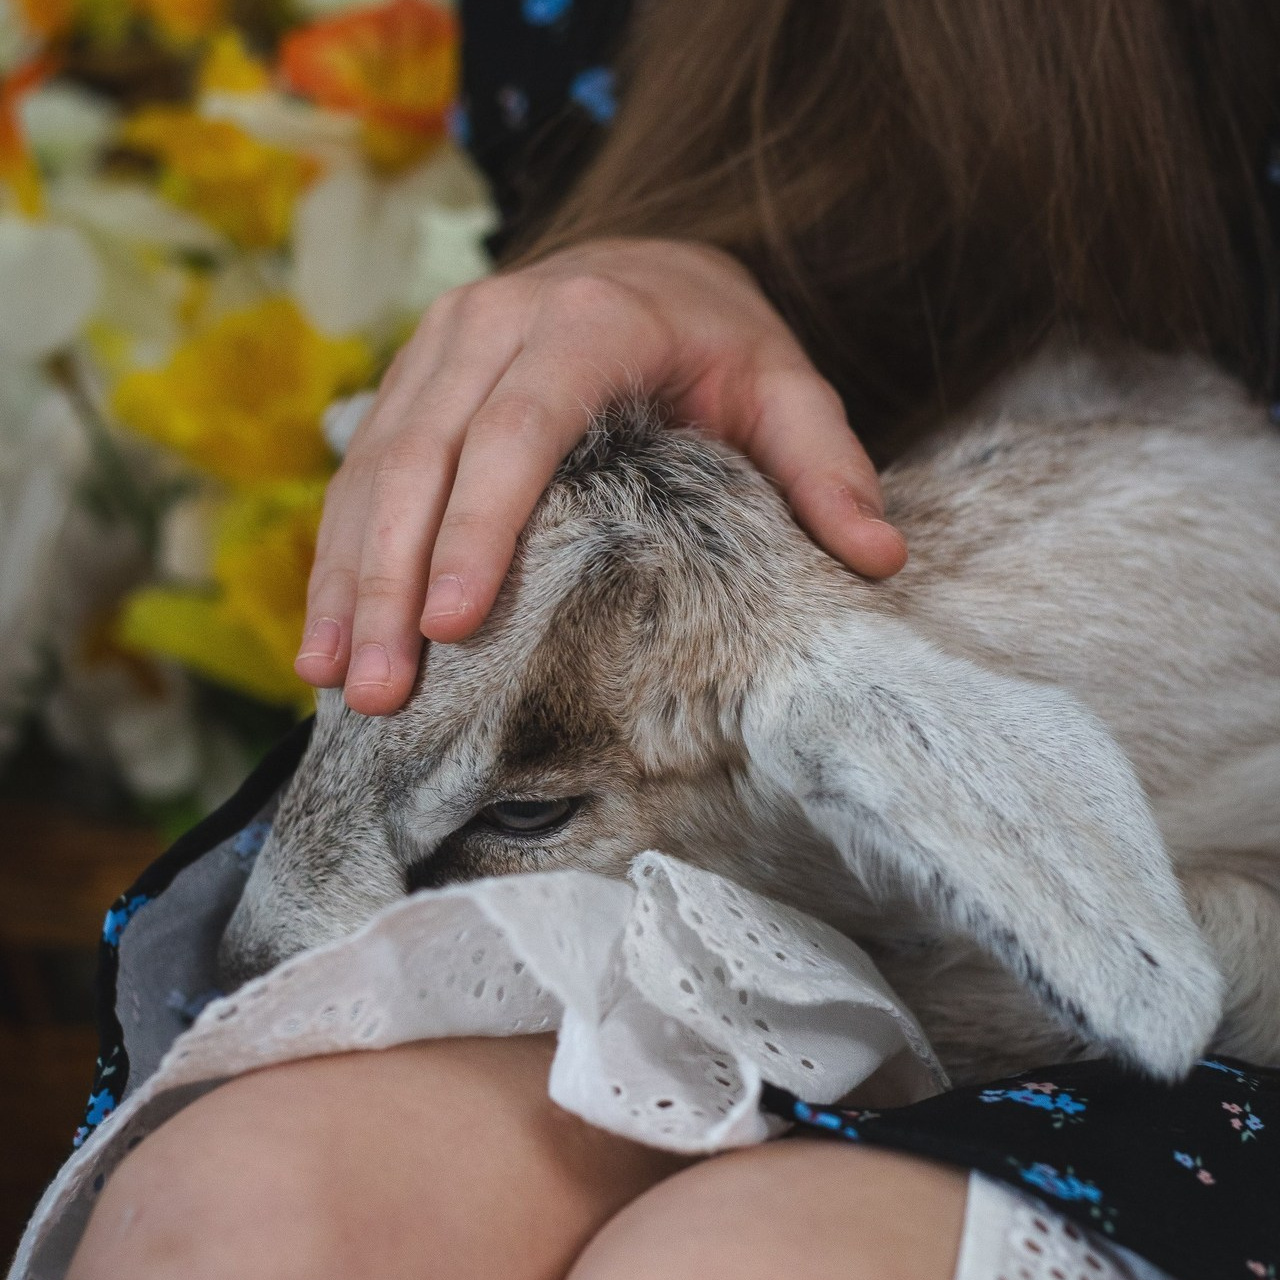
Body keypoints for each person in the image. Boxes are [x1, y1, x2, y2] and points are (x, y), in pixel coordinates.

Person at [61, 2, 1280, 1278]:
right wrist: (679, 260)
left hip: (1022, 906)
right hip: (748, 823)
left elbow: (1159, 988)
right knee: (249, 1212)